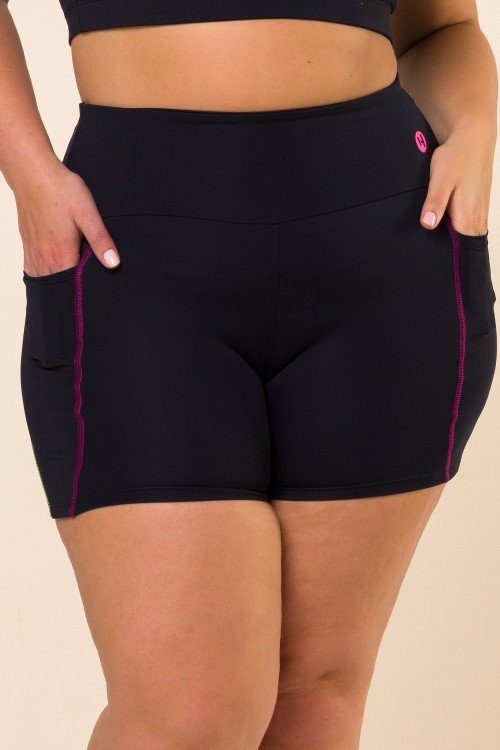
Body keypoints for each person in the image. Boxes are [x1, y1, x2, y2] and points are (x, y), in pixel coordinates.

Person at [1, 1, 497, 747]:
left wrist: (477, 132)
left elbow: (443, 30)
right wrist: (30, 176)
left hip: (384, 252)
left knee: (313, 701)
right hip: (134, 258)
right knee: (183, 715)